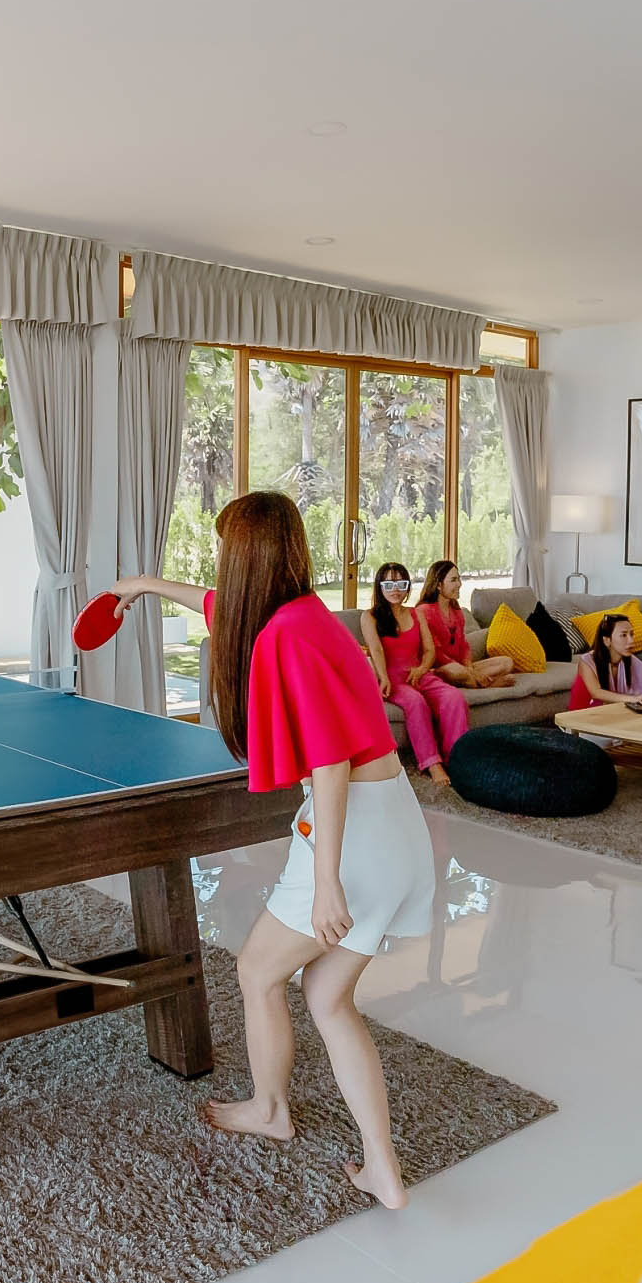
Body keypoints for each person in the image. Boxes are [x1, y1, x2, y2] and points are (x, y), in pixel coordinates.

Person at [113, 491, 435, 1210]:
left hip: (352, 836)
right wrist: (144, 586)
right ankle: (381, 1168)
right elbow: (218, 606)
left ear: (245, 557)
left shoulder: (285, 636)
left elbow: (330, 763)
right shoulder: (303, 615)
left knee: (257, 971)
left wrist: (326, 881)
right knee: (327, 998)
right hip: (396, 826)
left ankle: (270, 1109)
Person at [359, 563, 467, 788]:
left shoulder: (416, 613)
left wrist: (421, 669)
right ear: (380, 586)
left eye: (401, 583)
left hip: (419, 675)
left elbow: (429, 650)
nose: (395, 590)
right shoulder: (369, 617)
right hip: (391, 680)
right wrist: (384, 678)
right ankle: (432, 763)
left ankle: (457, 757)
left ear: (407, 586)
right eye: (389, 584)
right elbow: (376, 650)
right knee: (416, 702)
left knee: (453, 697)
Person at [417, 560, 516, 690]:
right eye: (453, 580)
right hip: (440, 669)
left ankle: (472, 680)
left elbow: (464, 646)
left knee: (507, 663)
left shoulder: (456, 611)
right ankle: (488, 684)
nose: (459, 584)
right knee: (455, 671)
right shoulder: (424, 611)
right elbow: (436, 654)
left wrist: (469, 668)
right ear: (439, 585)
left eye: (459, 579)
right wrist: (467, 671)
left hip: (461, 668)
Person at [567, 612, 642, 717]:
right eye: (623, 635)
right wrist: (632, 699)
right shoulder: (587, 660)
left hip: (611, 715)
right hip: (581, 717)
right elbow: (596, 692)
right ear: (607, 640)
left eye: (631, 634)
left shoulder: (630, 660)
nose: (631, 641)